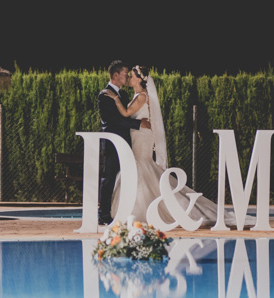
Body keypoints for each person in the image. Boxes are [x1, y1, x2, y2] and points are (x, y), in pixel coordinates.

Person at [104, 65, 244, 228]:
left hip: (142, 137)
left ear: (140, 79)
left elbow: (127, 113)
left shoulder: (142, 96)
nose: (129, 78)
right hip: (137, 135)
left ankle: (142, 209)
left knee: (141, 166)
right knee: (140, 167)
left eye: (132, 76)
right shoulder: (137, 95)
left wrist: (114, 99)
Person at [97, 60, 150, 226]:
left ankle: (125, 210)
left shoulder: (123, 95)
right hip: (113, 145)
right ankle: (104, 215)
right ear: (115, 75)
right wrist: (138, 124)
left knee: (126, 178)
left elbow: (125, 115)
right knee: (109, 178)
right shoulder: (104, 95)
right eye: (124, 74)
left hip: (128, 143)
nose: (127, 77)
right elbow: (113, 121)